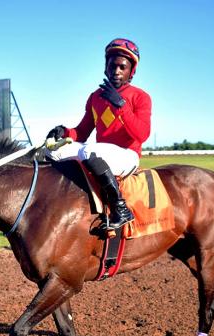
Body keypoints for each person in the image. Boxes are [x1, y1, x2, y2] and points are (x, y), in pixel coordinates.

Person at [46, 38, 152, 231]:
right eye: (113, 66)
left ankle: (121, 209)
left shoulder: (141, 97)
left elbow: (142, 134)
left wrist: (120, 105)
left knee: (90, 152)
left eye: (122, 67)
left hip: (128, 155)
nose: (117, 71)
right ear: (106, 67)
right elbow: (82, 132)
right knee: (52, 152)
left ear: (131, 72)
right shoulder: (95, 97)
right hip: (100, 153)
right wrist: (64, 131)